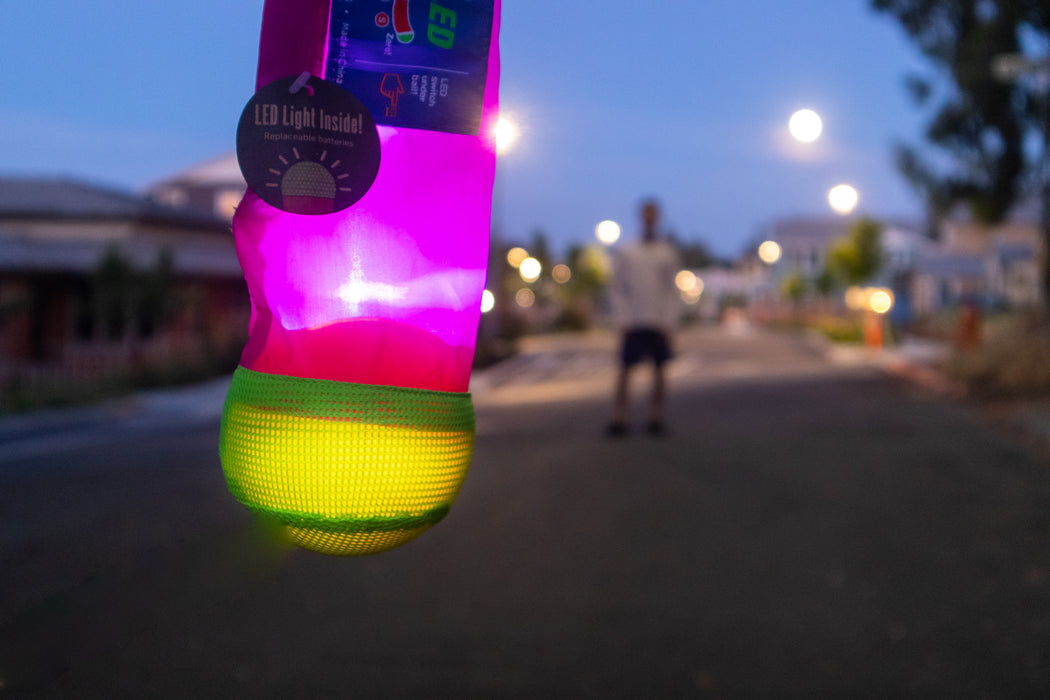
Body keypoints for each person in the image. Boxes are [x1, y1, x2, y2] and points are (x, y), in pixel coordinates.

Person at [607, 198, 682, 436]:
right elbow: (618, 288)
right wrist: (623, 319)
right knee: (625, 370)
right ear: (641, 217)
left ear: (658, 218)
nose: (649, 219)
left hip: (658, 323)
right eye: (646, 214)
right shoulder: (628, 252)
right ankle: (620, 418)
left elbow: (672, 290)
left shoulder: (667, 253)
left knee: (660, 371)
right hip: (634, 322)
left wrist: (669, 322)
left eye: (653, 214)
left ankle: (655, 417)